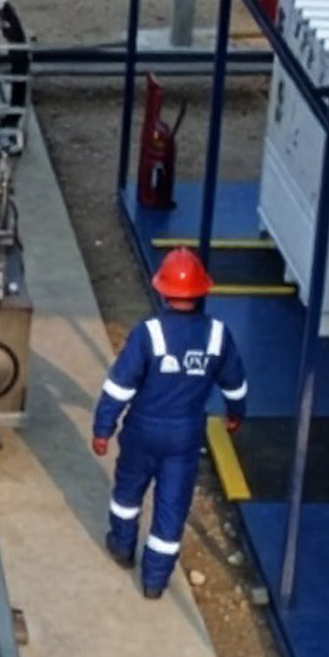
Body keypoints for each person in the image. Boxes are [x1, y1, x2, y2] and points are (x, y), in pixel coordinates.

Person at [92, 247, 248, 599]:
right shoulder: (217, 335)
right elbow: (235, 384)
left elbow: (119, 386)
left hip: (142, 432)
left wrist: (103, 429)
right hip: (184, 436)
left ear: (163, 290)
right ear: (201, 290)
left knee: (127, 493)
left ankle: (122, 546)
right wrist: (237, 413)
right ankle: (154, 582)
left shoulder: (149, 334)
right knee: (171, 508)